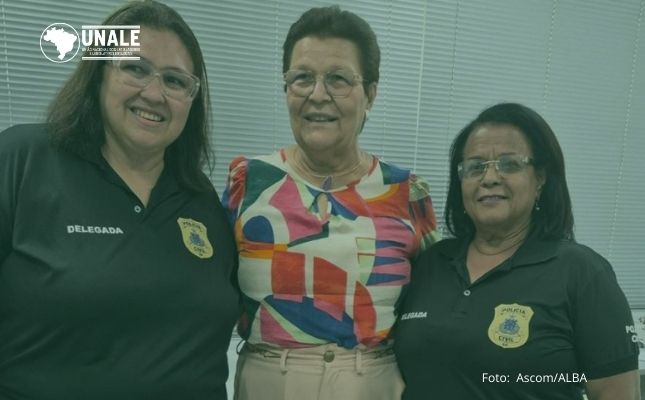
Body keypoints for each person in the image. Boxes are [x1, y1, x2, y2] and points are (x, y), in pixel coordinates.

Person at [0, 1, 239, 399]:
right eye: (135, 69)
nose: (155, 93)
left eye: (175, 81)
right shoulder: (22, 159)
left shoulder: (199, 196)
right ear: (98, 74)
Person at [222, 6, 439, 400]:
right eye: (302, 78)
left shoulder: (407, 193)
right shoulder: (249, 182)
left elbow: (434, 307)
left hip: (373, 384)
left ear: (370, 94)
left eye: (338, 79)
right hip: (267, 383)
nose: (318, 95)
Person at [394, 102, 641, 400]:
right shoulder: (431, 261)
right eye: (475, 167)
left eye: (509, 164)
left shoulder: (582, 272)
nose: (489, 178)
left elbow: (616, 393)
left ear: (540, 178)